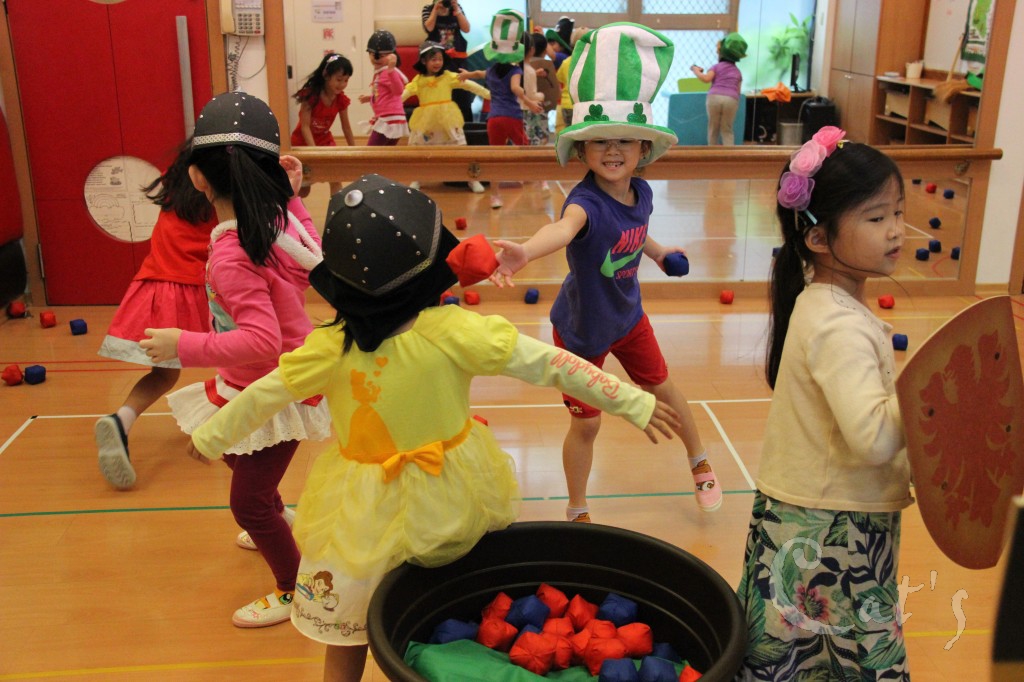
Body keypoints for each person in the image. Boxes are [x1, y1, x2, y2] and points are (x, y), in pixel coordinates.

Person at [187, 173, 682, 682]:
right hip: (449, 487)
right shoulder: (452, 331)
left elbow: (264, 394)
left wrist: (211, 435)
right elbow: (552, 363)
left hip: (364, 503)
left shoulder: (331, 345)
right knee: (457, 598)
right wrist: (631, 400)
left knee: (362, 619)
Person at [490, 23, 722, 523]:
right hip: (580, 331)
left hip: (628, 320)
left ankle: (699, 459)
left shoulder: (642, 192)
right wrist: (526, 251)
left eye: (624, 141)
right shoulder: (584, 203)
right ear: (581, 151)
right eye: (599, 142)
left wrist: (658, 253)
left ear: (643, 150)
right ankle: (577, 509)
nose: (613, 150)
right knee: (588, 426)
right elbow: (563, 230)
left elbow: (632, 232)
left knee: (665, 388)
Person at [140, 92, 331, 629]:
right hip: (259, 380)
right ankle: (274, 513)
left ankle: (294, 588)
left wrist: (182, 344)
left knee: (246, 502)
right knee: (238, 460)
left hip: (275, 386)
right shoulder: (270, 222)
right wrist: (293, 199)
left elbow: (261, 340)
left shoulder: (233, 251)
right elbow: (312, 256)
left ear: (198, 177)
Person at [737, 127, 912, 679]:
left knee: (797, 662)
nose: (896, 230)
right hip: (834, 528)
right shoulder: (840, 326)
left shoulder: (821, 303)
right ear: (817, 237)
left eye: (898, 212)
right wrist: (930, 398)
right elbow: (874, 438)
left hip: (812, 513)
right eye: (876, 217)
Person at [95, 139, 218, 490]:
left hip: (152, 289)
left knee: (163, 375)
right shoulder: (219, 195)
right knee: (239, 358)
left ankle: (122, 419)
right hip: (191, 292)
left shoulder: (173, 182)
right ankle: (229, 428)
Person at [402, 40, 490, 193]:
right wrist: (390, 107)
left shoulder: (448, 76)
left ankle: (471, 179)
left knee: (460, 148)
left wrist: (488, 94)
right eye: (433, 59)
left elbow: (469, 85)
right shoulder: (419, 80)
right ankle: (416, 178)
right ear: (424, 61)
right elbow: (405, 93)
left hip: (448, 118)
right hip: (426, 121)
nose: (437, 63)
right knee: (418, 149)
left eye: (440, 59)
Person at [483, 9, 543, 209]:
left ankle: (495, 196)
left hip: (493, 119)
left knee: (495, 157)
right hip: (511, 116)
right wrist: (530, 102)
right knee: (526, 149)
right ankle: (541, 178)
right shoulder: (516, 70)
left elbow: (479, 73)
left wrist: (466, 75)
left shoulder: (491, 71)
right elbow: (516, 88)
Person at [291, 52, 355, 194]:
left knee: (335, 177)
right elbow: (305, 127)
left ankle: (336, 206)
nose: (342, 85)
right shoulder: (311, 96)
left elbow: (346, 128)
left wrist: (355, 150)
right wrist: (314, 152)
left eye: (346, 80)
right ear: (326, 75)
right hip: (303, 142)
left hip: (325, 141)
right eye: (339, 80)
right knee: (303, 189)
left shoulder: (341, 99)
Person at [421, 0, 473, 125]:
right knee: (440, 96)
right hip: (438, 63)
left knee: (462, 96)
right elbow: (429, 28)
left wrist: (457, 10)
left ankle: (466, 127)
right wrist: (435, 10)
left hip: (458, 61)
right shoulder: (428, 9)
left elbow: (466, 29)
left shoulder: (456, 8)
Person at [690, 33, 747, 146]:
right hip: (731, 99)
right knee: (727, 129)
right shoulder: (737, 72)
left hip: (714, 98)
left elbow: (706, 79)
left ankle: (712, 152)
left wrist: (695, 70)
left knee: (713, 127)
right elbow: (738, 91)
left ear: (721, 53)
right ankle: (729, 154)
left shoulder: (716, 67)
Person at [358, 30, 409, 147]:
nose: (376, 59)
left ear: (392, 56)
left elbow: (398, 90)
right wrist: (370, 98)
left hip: (389, 119)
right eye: (372, 55)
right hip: (390, 118)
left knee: (372, 152)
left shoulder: (388, 72)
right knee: (386, 152)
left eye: (381, 56)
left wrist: (391, 70)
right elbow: (385, 93)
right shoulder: (382, 72)